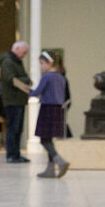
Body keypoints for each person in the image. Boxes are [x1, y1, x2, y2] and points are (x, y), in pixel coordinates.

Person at [31, 51, 70, 179]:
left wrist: (27, 91)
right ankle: (50, 169)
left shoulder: (47, 76)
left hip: (47, 108)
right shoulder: (61, 77)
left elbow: (37, 92)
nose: (41, 66)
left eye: (42, 63)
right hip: (58, 109)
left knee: (43, 139)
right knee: (48, 139)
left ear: (50, 63)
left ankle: (60, 161)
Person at [0, 40, 33, 163]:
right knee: (12, 129)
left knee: (18, 129)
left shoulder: (17, 62)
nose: (24, 55)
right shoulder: (8, 62)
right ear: (17, 49)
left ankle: (17, 154)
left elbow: (22, 78)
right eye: (24, 52)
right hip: (12, 100)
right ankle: (11, 155)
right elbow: (11, 79)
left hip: (19, 100)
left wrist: (25, 80)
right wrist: (26, 81)